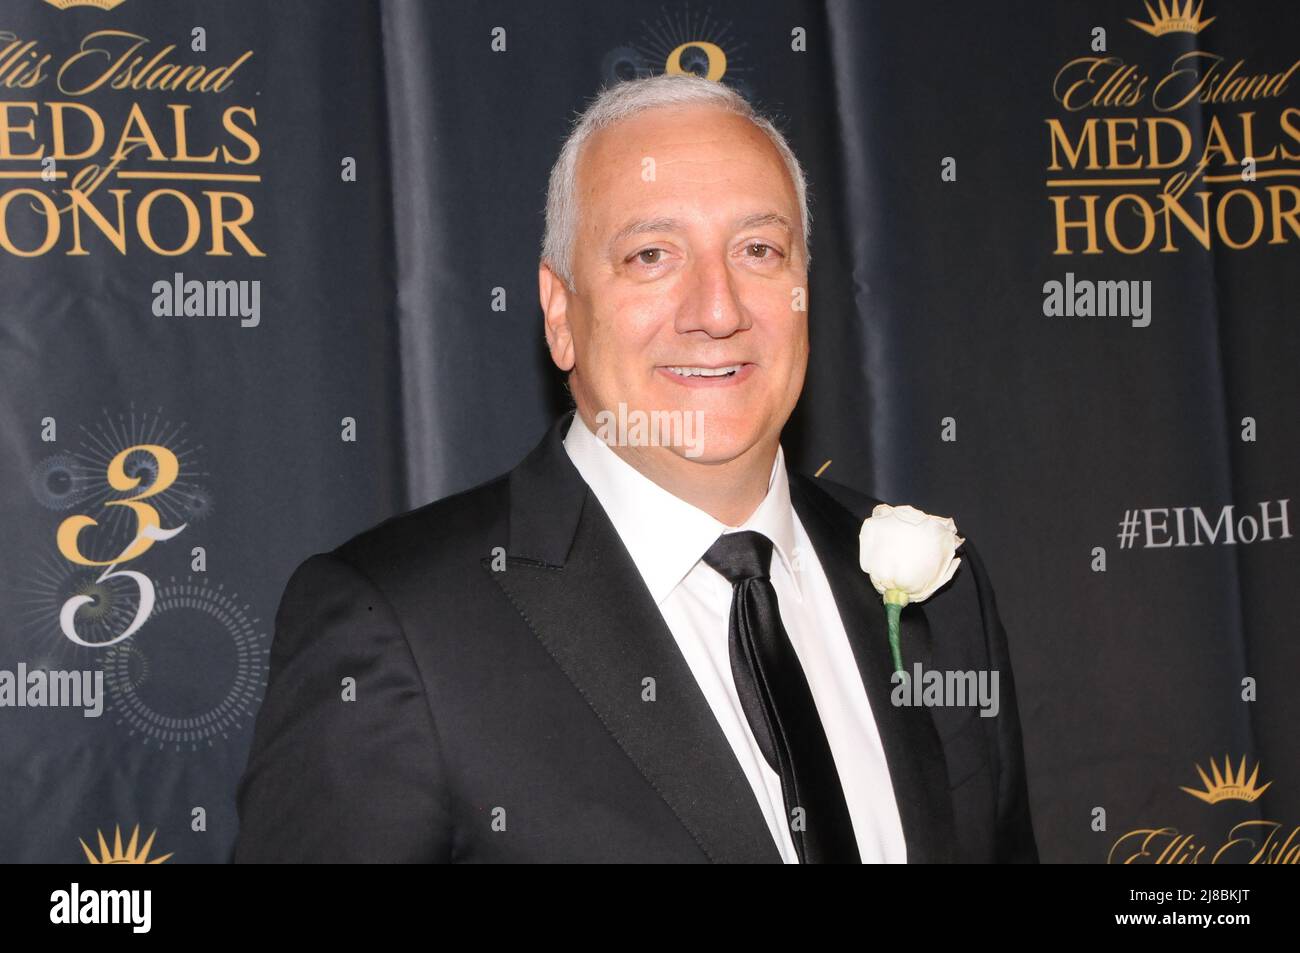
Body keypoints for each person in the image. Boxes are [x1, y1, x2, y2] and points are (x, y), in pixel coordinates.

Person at [232, 72, 1037, 863]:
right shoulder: (399, 630)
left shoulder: (945, 598)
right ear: (560, 315)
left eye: (759, 249)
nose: (718, 310)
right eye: (652, 255)